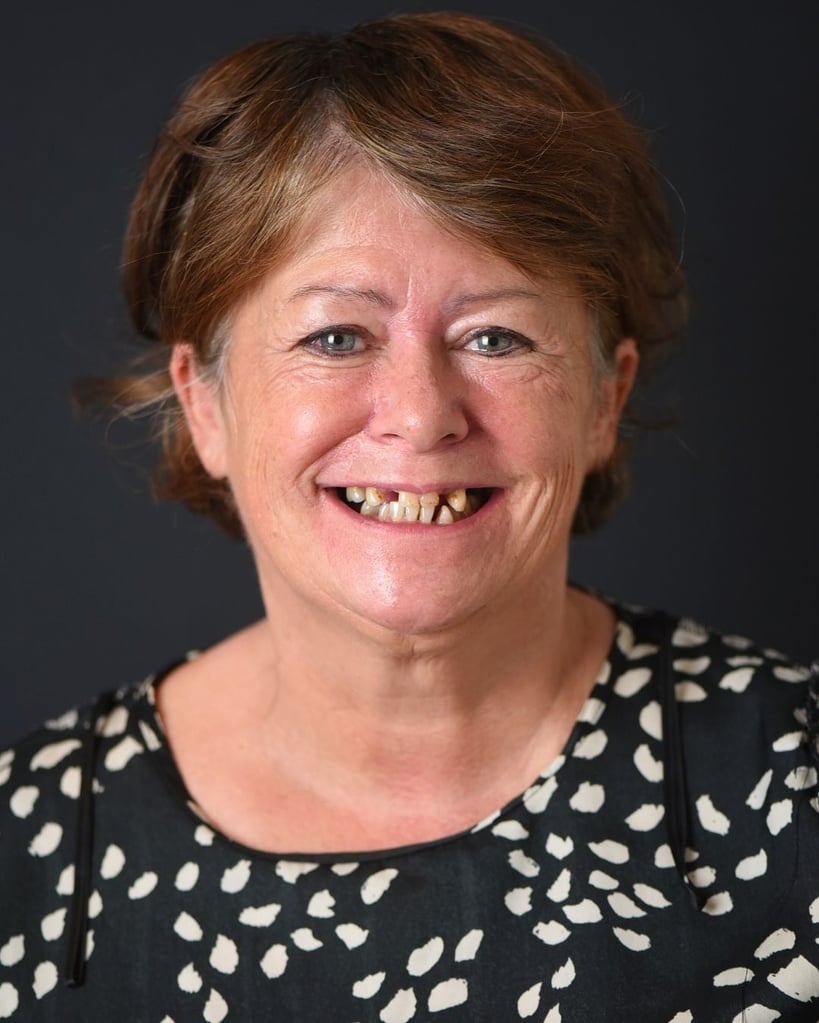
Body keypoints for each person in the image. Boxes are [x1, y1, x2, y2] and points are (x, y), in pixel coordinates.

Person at [1, 11, 817, 1021]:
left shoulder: (797, 786)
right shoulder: (29, 855)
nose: (423, 415)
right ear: (205, 402)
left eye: (498, 337)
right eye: (338, 335)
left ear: (604, 399)